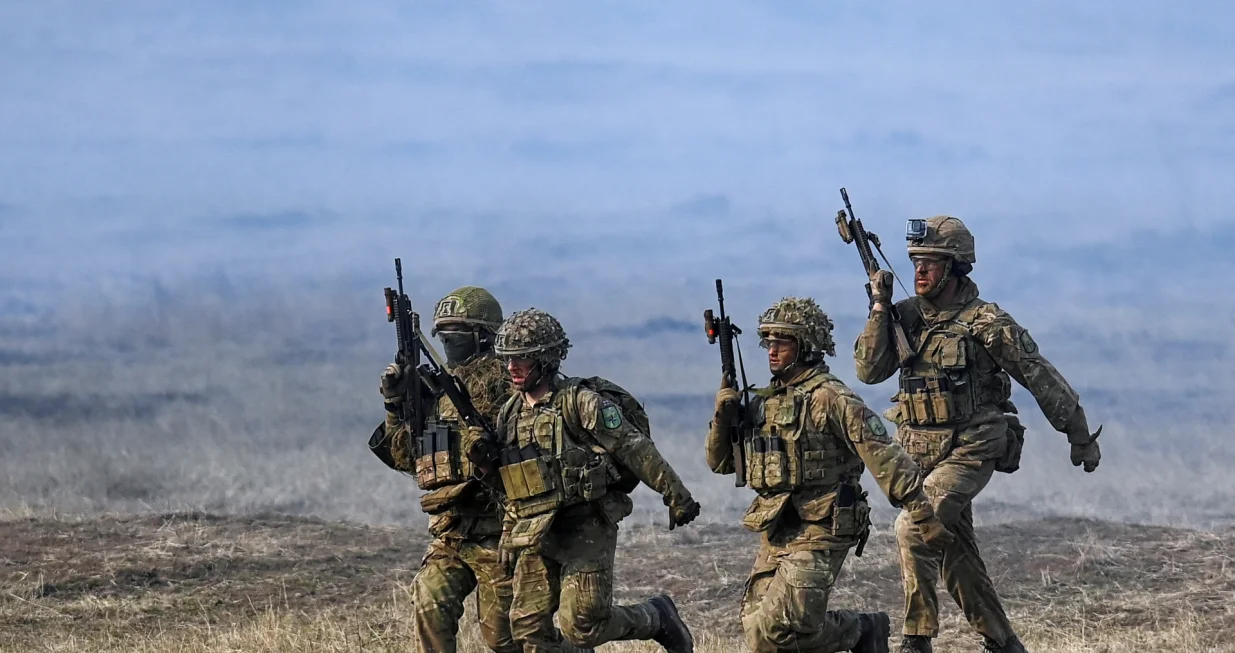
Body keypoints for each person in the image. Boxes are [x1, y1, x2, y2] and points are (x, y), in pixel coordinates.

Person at [854, 216, 1102, 653]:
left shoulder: (987, 322)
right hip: (921, 454)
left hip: (973, 445)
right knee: (956, 554)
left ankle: (916, 639)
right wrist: (878, 308)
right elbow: (870, 371)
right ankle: (1003, 643)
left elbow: (1039, 376)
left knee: (915, 527)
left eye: (931, 263)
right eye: (916, 262)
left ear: (956, 267)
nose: (920, 272)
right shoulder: (905, 318)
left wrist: (1078, 435)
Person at [708, 296, 954, 653]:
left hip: (824, 525)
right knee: (761, 634)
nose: (772, 352)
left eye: (783, 343)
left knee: (778, 630)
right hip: (778, 527)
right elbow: (721, 464)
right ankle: (864, 630)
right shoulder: (763, 402)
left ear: (806, 346)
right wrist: (722, 419)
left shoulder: (831, 398)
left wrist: (920, 512)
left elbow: (882, 452)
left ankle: (861, 630)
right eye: (769, 343)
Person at [491, 308, 701, 653]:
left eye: (522, 360)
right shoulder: (510, 414)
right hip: (536, 531)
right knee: (527, 629)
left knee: (583, 627)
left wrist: (676, 495)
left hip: (585, 526)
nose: (512, 368)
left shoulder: (581, 402)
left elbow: (636, 449)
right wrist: (507, 536)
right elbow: (515, 483)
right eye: (508, 360)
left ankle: (657, 617)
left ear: (545, 359)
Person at [372, 286, 519, 653]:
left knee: (506, 638)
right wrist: (396, 404)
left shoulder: (505, 387)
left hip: (499, 532)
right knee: (430, 602)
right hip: (451, 532)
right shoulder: (436, 389)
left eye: (456, 337)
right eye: (444, 338)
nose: (449, 346)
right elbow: (406, 457)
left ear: (482, 337)